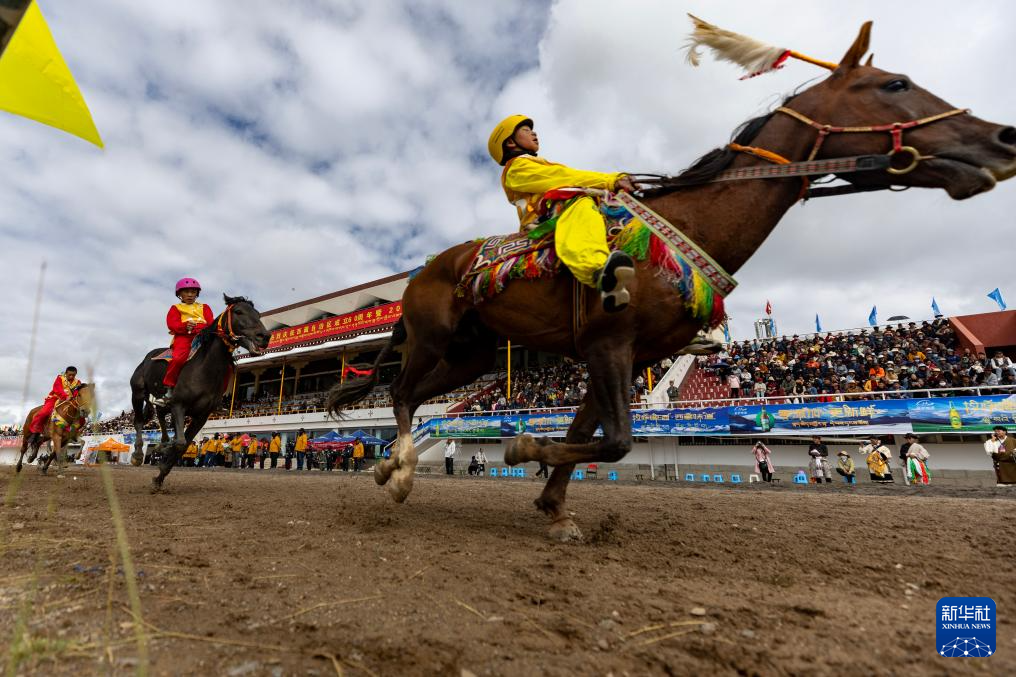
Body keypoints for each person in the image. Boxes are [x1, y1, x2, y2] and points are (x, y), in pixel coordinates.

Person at [488, 115, 636, 313]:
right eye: (526, 130)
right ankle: (598, 270)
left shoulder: (536, 162)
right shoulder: (516, 168)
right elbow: (564, 178)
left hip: (556, 211)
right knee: (580, 202)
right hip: (543, 221)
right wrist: (611, 181)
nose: (534, 133)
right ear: (510, 143)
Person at [152, 278, 214, 406]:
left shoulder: (205, 307)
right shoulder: (175, 308)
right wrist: (185, 326)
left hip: (204, 336)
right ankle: (169, 391)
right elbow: (172, 324)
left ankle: (218, 395)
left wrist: (200, 328)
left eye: (193, 292)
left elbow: (210, 323)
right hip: (184, 337)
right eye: (186, 292)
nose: (190, 295)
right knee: (178, 359)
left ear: (197, 294)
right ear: (179, 294)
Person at [26, 366, 82, 442]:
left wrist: (74, 397)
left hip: (70, 401)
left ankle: (73, 432)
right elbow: (57, 389)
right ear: (66, 373)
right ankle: (35, 432)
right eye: (70, 375)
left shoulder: (78, 382)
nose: (71, 377)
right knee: (44, 413)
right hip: (55, 398)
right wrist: (65, 396)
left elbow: (77, 392)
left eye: (73, 375)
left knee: (81, 416)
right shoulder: (60, 378)